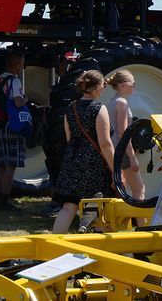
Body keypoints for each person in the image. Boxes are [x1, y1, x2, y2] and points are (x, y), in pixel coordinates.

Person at [52, 70, 115, 233]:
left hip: (72, 159)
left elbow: (69, 138)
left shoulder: (70, 108)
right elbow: (106, 144)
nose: (104, 88)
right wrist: (116, 170)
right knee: (99, 205)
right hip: (93, 163)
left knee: (68, 207)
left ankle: (53, 246)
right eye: (102, 85)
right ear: (95, 87)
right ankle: (99, 247)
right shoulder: (99, 109)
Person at [105, 69, 145, 220]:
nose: (134, 86)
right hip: (122, 151)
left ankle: (127, 221)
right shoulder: (122, 103)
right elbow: (123, 133)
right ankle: (141, 224)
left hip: (115, 149)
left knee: (123, 190)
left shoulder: (112, 102)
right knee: (139, 189)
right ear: (122, 85)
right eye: (132, 83)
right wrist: (133, 157)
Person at [0, 51, 28, 212]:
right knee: (11, 165)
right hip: (13, 124)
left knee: (2, 164)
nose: (23, 66)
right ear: (16, 64)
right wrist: (26, 98)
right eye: (21, 63)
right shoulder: (14, 80)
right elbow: (18, 102)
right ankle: (5, 201)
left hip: (1, 123)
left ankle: (1, 199)